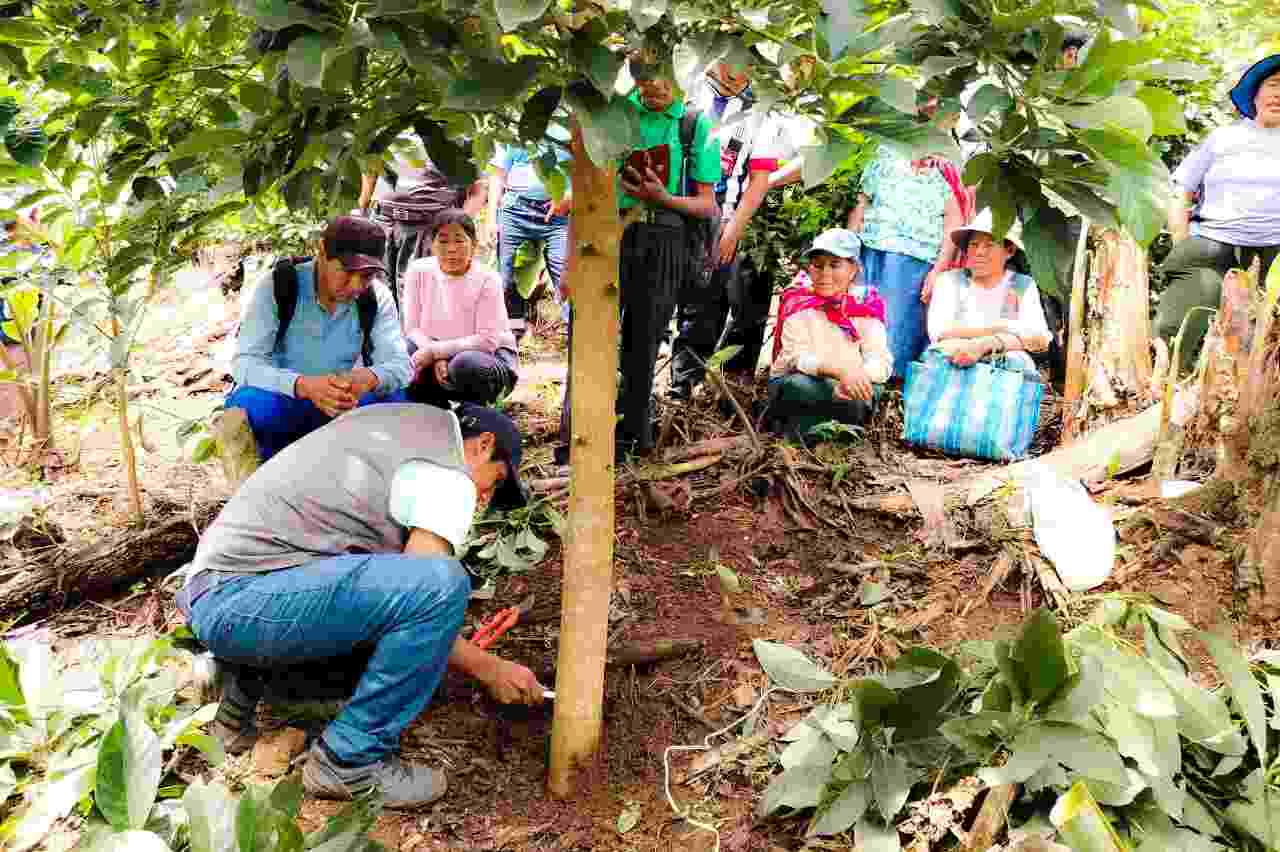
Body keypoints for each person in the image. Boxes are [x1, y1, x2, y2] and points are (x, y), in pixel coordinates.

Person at [176, 402, 542, 808]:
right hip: (242, 603)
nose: (486, 498)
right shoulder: (448, 472)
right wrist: (489, 668)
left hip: (220, 594)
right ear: (483, 444)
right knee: (442, 585)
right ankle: (349, 760)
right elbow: (426, 588)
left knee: (385, 599)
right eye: (495, 482)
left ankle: (232, 710)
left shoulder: (398, 425)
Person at [556, 52, 719, 462]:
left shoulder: (693, 125)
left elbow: (707, 205)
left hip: (663, 236)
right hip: (608, 231)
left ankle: (632, 438)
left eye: (663, 77)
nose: (655, 87)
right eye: (645, 78)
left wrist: (663, 198)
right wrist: (572, 262)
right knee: (590, 331)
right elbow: (586, 188)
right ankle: (578, 437)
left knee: (643, 339)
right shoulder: (613, 115)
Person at [222, 216, 412, 464]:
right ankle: (275, 473)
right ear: (322, 251)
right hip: (289, 401)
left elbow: (402, 366)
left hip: (343, 403)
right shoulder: (279, 286)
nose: (356, 285)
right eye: (347, 272)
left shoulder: (376, 297)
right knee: (251, 405)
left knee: (396, 401)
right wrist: (303, 385)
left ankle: (362, 474)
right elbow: (244, 363)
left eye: (366, 276)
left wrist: (368, 378)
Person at [669, 60, 805, 398]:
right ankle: (681, 382)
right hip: (673, 208)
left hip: (726, 214)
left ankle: (717, 385)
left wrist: (732, 229)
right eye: (724, 59)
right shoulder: (686, 92)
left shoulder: (762, 113)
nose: (732, 70)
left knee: (725, 297)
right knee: (690, 301)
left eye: (741, 62)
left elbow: (759, 179)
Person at [1157, 52, 1280, 374]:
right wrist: (1180, 241)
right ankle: (1159, 391)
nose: (1278, 94)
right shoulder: (1223, 138)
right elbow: (1181, 189)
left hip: (1274, 253)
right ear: (1254, 94)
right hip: (1210, 245)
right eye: (1273, 84)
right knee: (1177, 326)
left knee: (1265, 343)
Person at [849, 132, 966, 381]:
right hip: (871, 252)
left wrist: (938, 271)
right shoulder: (883, 153)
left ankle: (885, 393)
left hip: (914, 263)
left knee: (895, 334)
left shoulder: (944, 169)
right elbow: (861, 205)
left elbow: (954, 222)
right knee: (860, 320)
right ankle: (853, 386)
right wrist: (849, 253)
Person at [768, 229, 891, 441]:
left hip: (849, 384)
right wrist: (838, 371)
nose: (825, 273)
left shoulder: (865, 306)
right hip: (808, 382)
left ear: (853, 269)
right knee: (799, 387)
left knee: (869, 391)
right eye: (818, 265)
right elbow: (796, 357)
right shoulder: (797, 303)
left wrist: (855, 376)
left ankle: (840, 436)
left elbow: (881, 361)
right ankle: (800, 433)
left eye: (835, 265)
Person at [401, 210, 519, 409]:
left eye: (459, 241)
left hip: (487, 356)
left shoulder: (488, 279)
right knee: (403, 351)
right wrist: (436, 354)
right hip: (435, 349)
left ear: (473, 245)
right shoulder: (418, 271)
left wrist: (434, 352)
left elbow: (487, 341)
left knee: (464, 364)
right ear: (431, 245)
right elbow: (411, 328)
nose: (452, 249)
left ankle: (476, 416)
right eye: (443, 241)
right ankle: (433, 412)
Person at [359, 138, 488, 309]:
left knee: (415, 296)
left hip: (426, 228)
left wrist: (456, 226)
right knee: (378, 291)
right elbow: (369, 173)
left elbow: (477, 190)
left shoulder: (456, 134)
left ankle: (415, 335)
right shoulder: (388, 127)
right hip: (382, 222)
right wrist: (362, 212)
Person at [925, 210, 1051, 377]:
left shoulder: (1020, 286)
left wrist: (985, 344)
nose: (979, 252)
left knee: (1017, 360)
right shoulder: (950, 281)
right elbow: (940, 331)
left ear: (1010, 251)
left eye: (989, 245)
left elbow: (1039, 338)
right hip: (955, 360)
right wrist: (1002, 329)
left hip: (1002, 370)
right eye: (974, 245)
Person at [487, 131, 572, 340]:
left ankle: (579, 348)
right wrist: (490, 218)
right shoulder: (514, 125)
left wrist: (571, 197)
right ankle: (508, 341)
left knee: (567, 279)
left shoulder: (571, 124)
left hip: (558, 214)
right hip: (515, 209)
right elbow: (498, 176)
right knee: (504, 281)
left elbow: (588, 171)